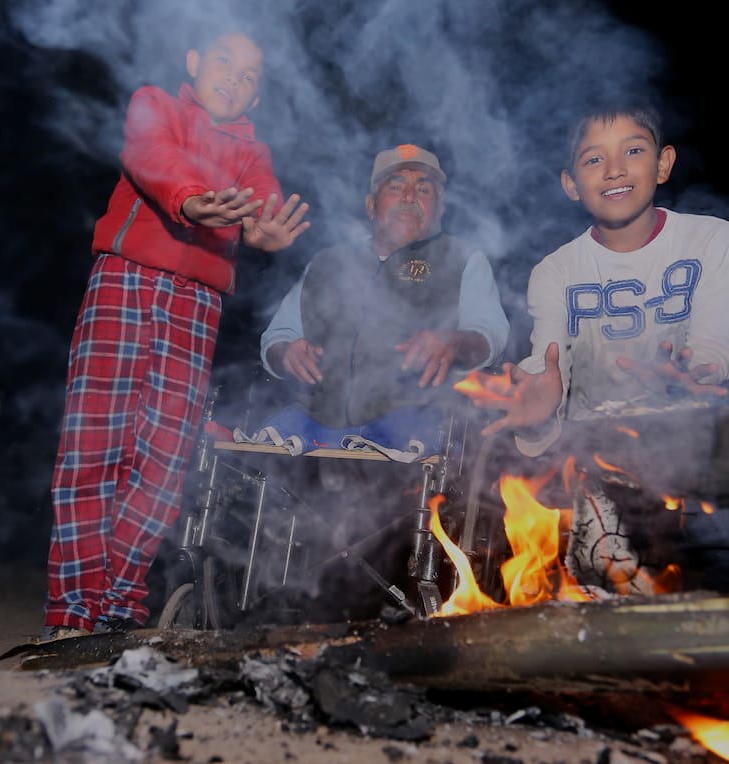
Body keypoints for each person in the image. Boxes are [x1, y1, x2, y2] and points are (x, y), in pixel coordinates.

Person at [41, 28, 311, 641]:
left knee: (163, 459)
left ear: (258, 97)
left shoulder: (252, 151)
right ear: (193, 61)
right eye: (224, 61)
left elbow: (264, 202)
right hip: (127, 280)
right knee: (94, 444)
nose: (234, 79)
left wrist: (265, 231)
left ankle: (116, 603)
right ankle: (72, 610)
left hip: (199, 302)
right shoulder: (154, 104)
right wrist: (189, 200)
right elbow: (151, 157)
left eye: (249, 75)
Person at [464, 98, 729, 593]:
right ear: (570, 184)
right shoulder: (556, 271)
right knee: (604, 592)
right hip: (598, 455)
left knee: (720, 577)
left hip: (694, 440)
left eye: (633, 151)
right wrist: (536, 413)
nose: (615, 169)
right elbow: (547, 372)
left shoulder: (712, 240)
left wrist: (696, 370)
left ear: (663, 163)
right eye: (594, 159)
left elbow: (714, 350)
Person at [256, 144, 510, 458]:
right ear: (370, 205)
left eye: (423, 188)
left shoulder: (462, 259)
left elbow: (491, 335)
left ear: (440, 208)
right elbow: (277, 337)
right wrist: (288, 352)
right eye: (395, 186)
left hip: (413, 429)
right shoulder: (327, 262)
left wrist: (453, 342)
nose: (408, 196)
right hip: (315, 429)